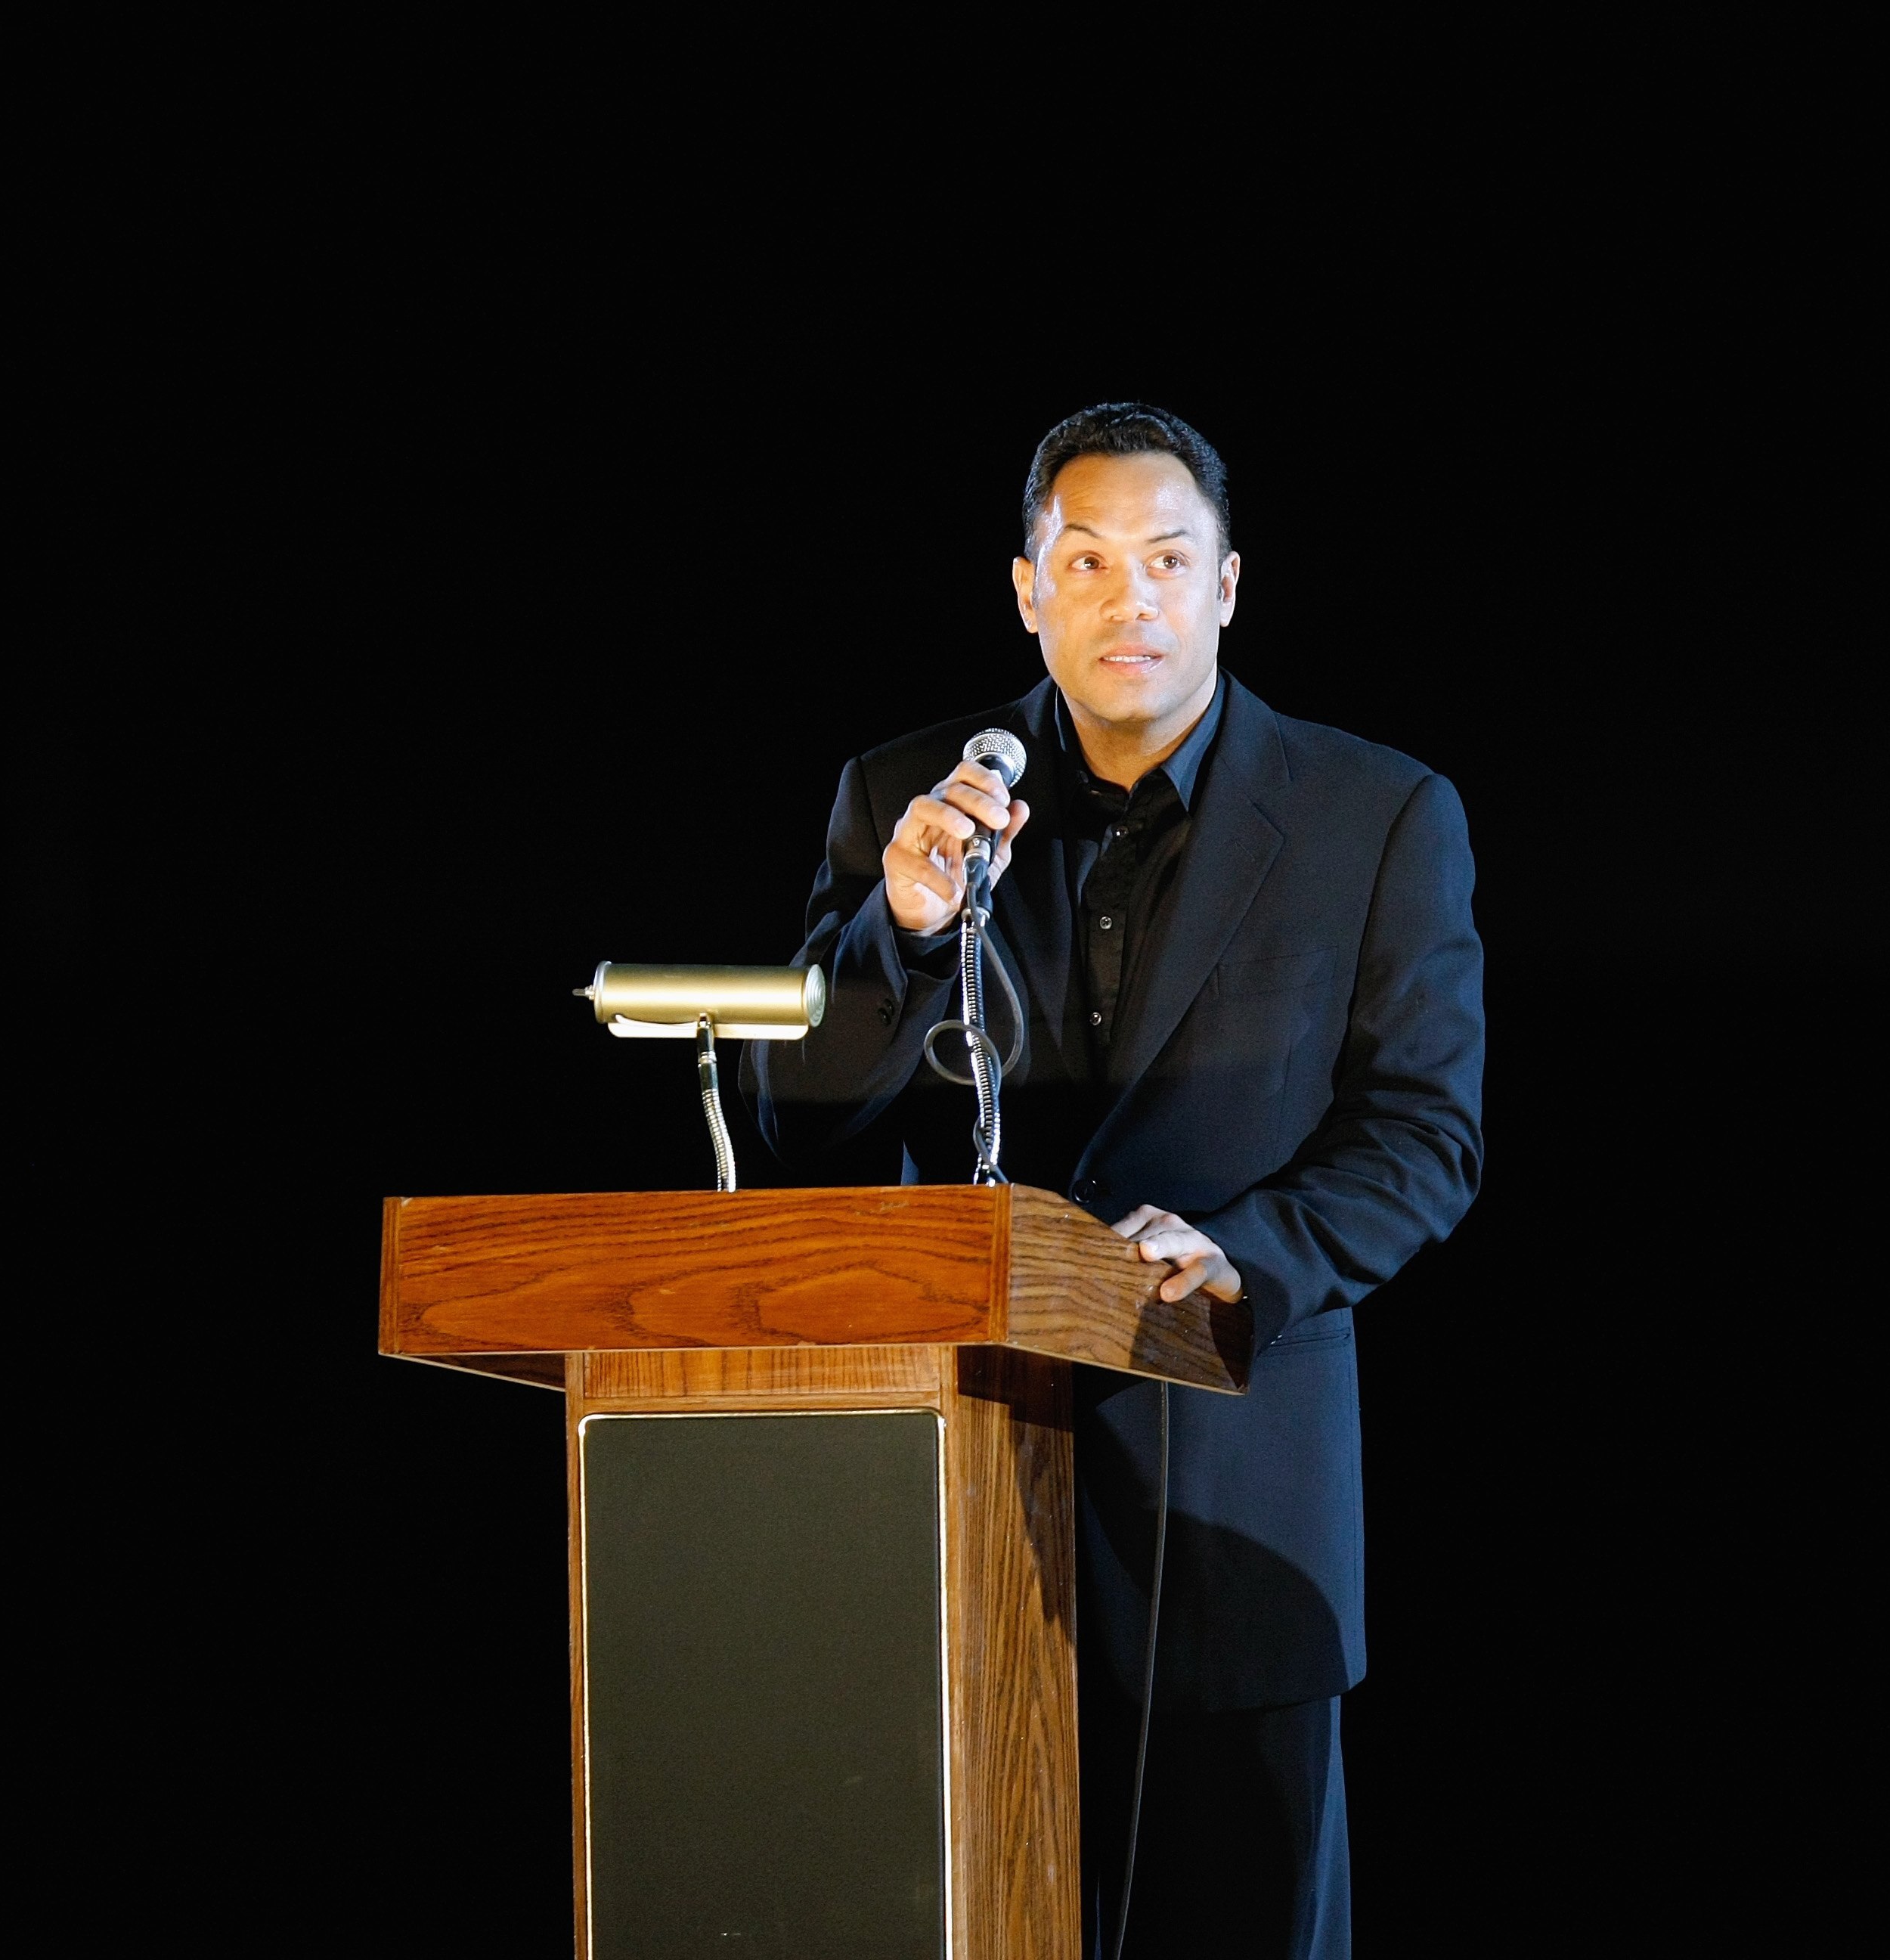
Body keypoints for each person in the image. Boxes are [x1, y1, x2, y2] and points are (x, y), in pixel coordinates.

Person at [751, 402, 1485, 1958]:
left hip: (1239, 1499)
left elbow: (1426, 1135)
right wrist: (898, 930)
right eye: (1086, 561)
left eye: (1166, 559)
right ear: (1029, 590)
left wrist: (1243, 1253)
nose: (1127, 597)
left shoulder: (1377, 814)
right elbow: (797, 1129)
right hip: (951, 1497)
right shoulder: (908, 797)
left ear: (1228, 586)